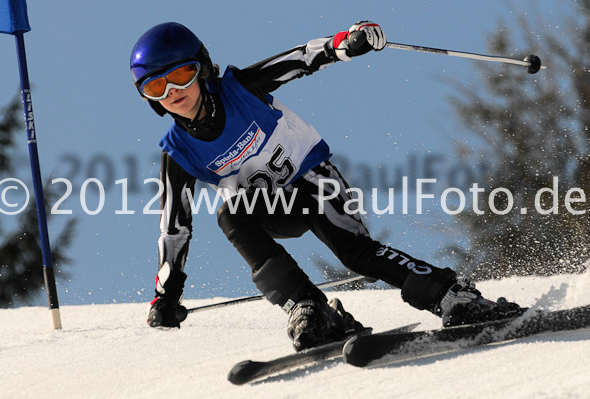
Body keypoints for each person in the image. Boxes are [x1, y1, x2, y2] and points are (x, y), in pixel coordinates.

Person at [130, 21, 525, 351]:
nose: (172, 93)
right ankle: (310, 309)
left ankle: (451, 295)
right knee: (231, 216)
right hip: (269, 211)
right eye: (155, 87)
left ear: (202, 69)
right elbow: (174, 227)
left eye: (180, 76)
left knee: (355, 254)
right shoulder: (178, 152)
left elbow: (298, 59)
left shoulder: (240, 89)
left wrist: (343, 44)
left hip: (315, 183)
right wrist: (168, 294)